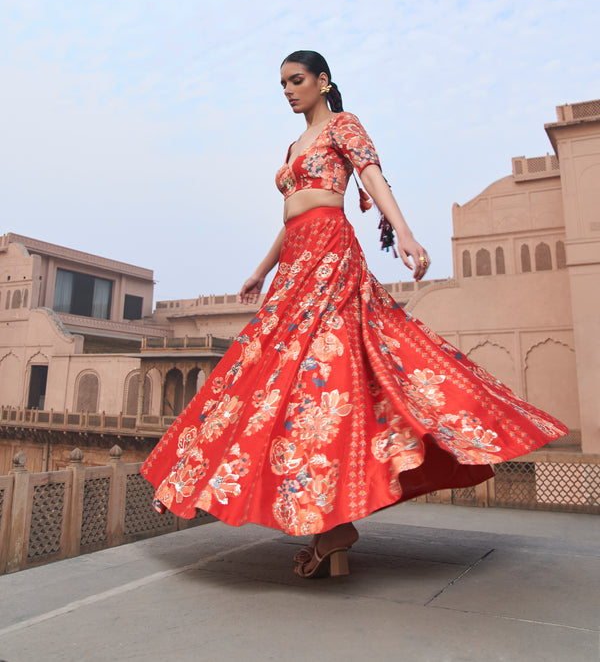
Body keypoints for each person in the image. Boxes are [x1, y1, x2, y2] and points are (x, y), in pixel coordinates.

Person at [141, 50, 567, 579]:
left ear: (322, 81)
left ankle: (337, 521)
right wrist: (260, 270)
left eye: (296, 80)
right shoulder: (294, 146)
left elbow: (370, 176)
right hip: (295, 259)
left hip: (330, 249)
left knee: (330, 369)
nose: (288, 90)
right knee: (290, 379)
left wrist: (404, 231)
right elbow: (291, 215)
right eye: (282, 83)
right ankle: (332, 525)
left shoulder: (343, 125)